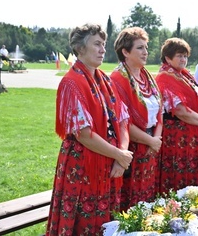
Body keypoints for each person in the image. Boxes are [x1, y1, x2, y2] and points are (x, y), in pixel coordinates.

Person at [46, 23, 133, 235]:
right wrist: (120, 155)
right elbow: (83, 135)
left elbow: (122, 120)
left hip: (110, 164)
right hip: (83, 166)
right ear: (80, 48)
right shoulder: (71, 82)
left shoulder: (105, 79)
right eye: (97, 44)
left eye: (103, 44)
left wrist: (121, 155)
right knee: (83, 222)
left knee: (106, 221)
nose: (103, 49)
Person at [110, 27, 163, 211]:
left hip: (151, 147)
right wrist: (151, 141)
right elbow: (122, 121)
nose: (146, 52)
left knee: (147, 200)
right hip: (131, 148)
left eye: (146, 47)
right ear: (125, 52)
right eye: (140, 48)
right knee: (130, 203)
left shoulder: (147, 76)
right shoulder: (117, 79)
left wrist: (156, 140)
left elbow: (159, 113)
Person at [155, 37, 198, 194]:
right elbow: (180, 111)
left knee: (195, 174)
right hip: (179, 137)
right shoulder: (165, 77)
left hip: (195, 133)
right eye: (179, 55)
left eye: (185, 56)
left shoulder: (185, 74)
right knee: (181, 177)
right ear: (168, 58)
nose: (183, 59)